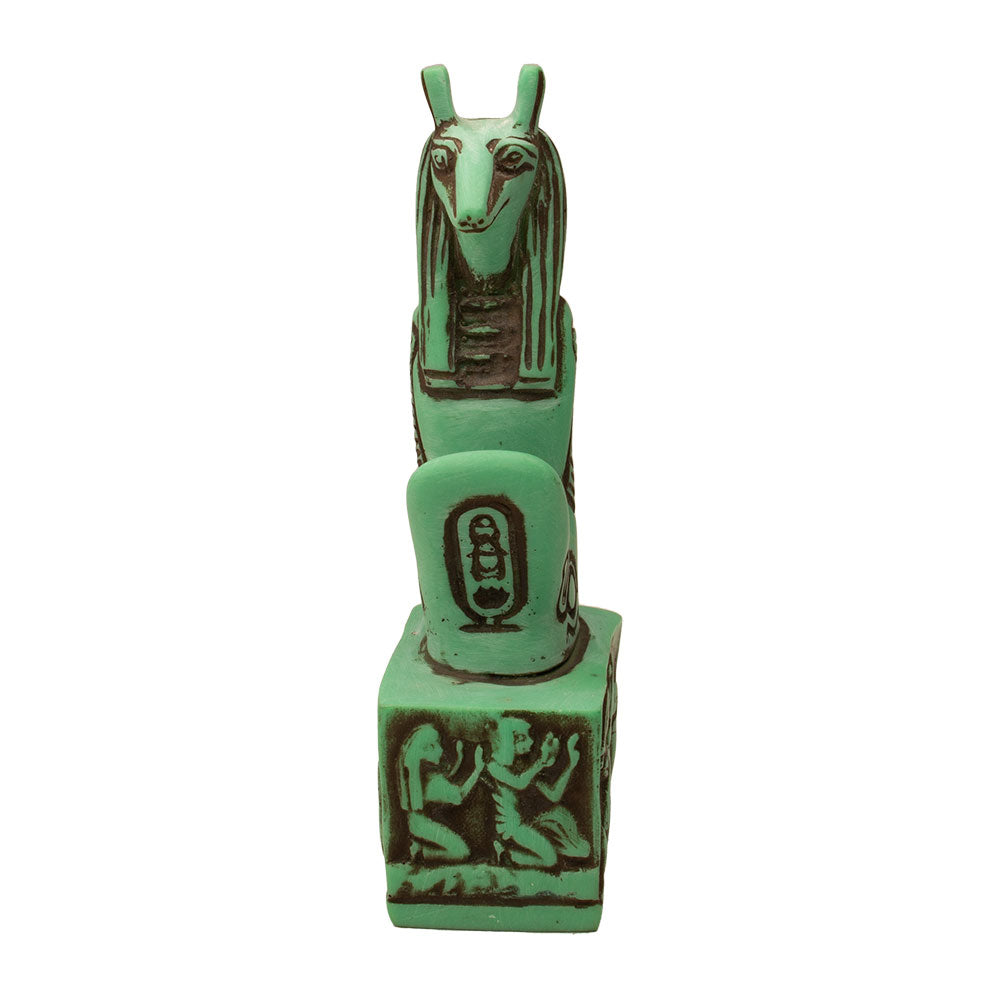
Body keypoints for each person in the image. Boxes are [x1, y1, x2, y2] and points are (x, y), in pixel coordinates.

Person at [485, 716, 590, 868]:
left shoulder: (524, 766)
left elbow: (554, 795)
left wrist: (571, 765)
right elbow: (519, 783)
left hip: (532, 823)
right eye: (522, 738)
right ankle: (508, 854)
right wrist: (540, 763)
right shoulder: (494, 766)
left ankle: (515, 853)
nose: (530, 742)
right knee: (550, 860)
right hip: (514, 827)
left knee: (582, 849)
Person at [397, 724, 484, 862]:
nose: (442, 749)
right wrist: (477, 770)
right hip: (421, 825)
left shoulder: (422, 773)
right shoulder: (432, 781)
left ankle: (419, 849)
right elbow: (459, 796)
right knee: (462, 852)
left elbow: (449, 779)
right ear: (427, 748)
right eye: (437, 745)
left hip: (415, 822)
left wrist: (460, 757)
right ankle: (421, 853)